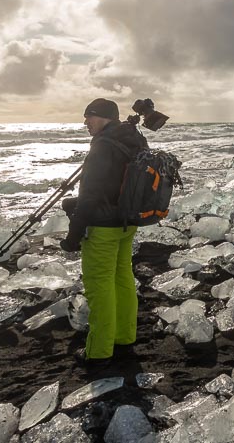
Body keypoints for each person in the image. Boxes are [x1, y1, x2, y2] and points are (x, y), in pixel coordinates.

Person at [60, 98, 148, 365]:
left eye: (89, 117)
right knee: (122, 279)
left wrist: (73, 236)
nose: (85, 122)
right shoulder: (135, 139)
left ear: (103, 117)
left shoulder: (103, 146)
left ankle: (98, 351)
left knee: (99, 287)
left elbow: (90, 196)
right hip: (127, 221)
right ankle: (124, 337)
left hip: (102, 227)